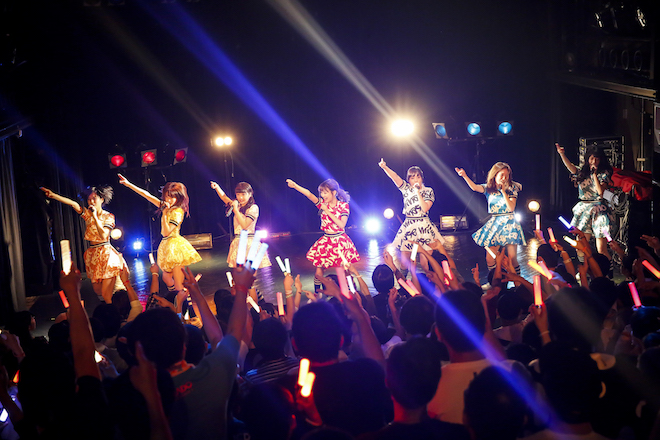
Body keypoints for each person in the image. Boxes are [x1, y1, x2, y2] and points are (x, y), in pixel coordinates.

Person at [40, 185, 128, 303]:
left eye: (94, 198)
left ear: (102, 199)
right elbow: (73, 204)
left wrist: (95, 217)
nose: (91, 201)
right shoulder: (87, 214)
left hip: (106, 254)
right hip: (93, 255)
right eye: (89, 199)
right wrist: (53, 195)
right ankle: (114, 305)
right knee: (98, 290)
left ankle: (113, 310)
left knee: (106, 294)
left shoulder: (108, 216)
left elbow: (103, 235)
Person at [118, 174, 201, 293]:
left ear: (179, 197)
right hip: (167, 246)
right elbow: (147, 195)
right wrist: (129, 184)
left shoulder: (178, 212)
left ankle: (183, 297)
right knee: (166, 278)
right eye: (167, 196)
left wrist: (164, 213)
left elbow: (166, 232)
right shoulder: (166, 207)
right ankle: (182, 295)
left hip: (175, 247)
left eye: (172, 197)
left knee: (178, 285)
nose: (168, 200)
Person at [286, 178, 359, 285]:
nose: (322, 195)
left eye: (325, 192)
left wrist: (327, 211)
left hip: (340, 241)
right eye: (321, 193)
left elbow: (341, 224)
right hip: (326, 240)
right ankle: (318, 292)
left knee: (345, 270)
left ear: (334, 192)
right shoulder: (322, 204)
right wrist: (295, 186)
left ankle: (350, 292)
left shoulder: (343, 206)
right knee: (319, 269)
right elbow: (309, 195)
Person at [455, 162, 525, 274]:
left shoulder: (511, 188)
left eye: (506, 175)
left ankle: (518, 281)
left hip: (509, 223)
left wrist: (503, 192)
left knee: (512, 259)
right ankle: (495, 280)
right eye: (501, 175)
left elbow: (511, 208)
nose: (504, 178)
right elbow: (474, 187)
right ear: (495, 175)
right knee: (490, 258)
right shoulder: (488, 188)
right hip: (496, 223)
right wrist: (464, 176)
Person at [378, 159, 443, 267]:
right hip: (409, 225)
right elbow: (395, 177)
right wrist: (385, 167)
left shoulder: (428, 191)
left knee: (426, 259)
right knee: (405, 261)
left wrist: (418, 192)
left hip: (424, 226)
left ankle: (429, 276)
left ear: (422, 178)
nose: (416, 179)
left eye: (418, 177)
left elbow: (425, 208)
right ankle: (404, 277)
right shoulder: (406, 189)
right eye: (412, 178)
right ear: (408, 180)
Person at [556, 143, 613, 260]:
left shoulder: (604, 173)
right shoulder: (582, 172)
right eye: (592, 158)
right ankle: (584, 266)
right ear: (587, 159)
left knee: (601, 249)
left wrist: (594, 175)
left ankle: (606, 268)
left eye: (597, 159)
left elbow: (601, 192)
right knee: (581, 245)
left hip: (598, 210)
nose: (594, 161)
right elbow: (570, 167)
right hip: (584, 209)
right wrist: (562, 154)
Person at [211, 181, 271, 269]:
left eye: (243, 194)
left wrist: (236, 210)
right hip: (237, 242)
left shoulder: (253, 208)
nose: (240, 197)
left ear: (250, 194)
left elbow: (245, 225)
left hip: (249, 243)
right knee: (239, 274)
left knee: (249, 273)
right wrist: (217, 187)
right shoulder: (237, 206)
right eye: (238, 194)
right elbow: (224, 197)